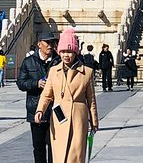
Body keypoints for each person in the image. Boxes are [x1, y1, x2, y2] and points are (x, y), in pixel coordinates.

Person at [34, 27, 99, 163]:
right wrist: (40, 110)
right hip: (59, 118)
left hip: (78, 117)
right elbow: (47, 94)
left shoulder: (86, 72)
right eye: (63, 51)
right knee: (59, 154)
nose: (66, 55)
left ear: (75, 52)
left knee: (75, 155)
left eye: (69, 51)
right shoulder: (53, 71)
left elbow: (91, 100)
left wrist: (94, 121)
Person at [17, 32, 61, 163]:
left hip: (55, 109)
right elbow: (21, 83)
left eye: (52, 42)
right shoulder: (28, 62)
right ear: (39, 44)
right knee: (38, 147)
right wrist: (36, 83)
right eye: (47, 42)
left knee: (55, 147)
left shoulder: (59, 61)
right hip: (36, 108)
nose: (50, 45)